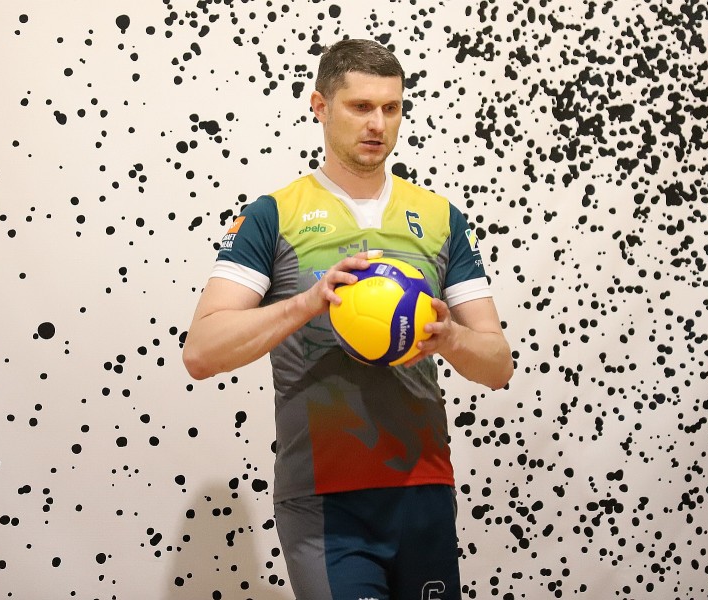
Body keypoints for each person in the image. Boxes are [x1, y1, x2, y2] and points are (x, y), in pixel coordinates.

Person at [183, 38, 513, 600]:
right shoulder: (273, 216)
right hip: (324, 500)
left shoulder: (440, 218)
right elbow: (200, 351)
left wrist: (450, 337)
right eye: (361, 106)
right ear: (320, 106)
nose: (378, 124)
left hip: (423, 489)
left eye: (391, 108)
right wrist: (307, 303)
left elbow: (498, 365)